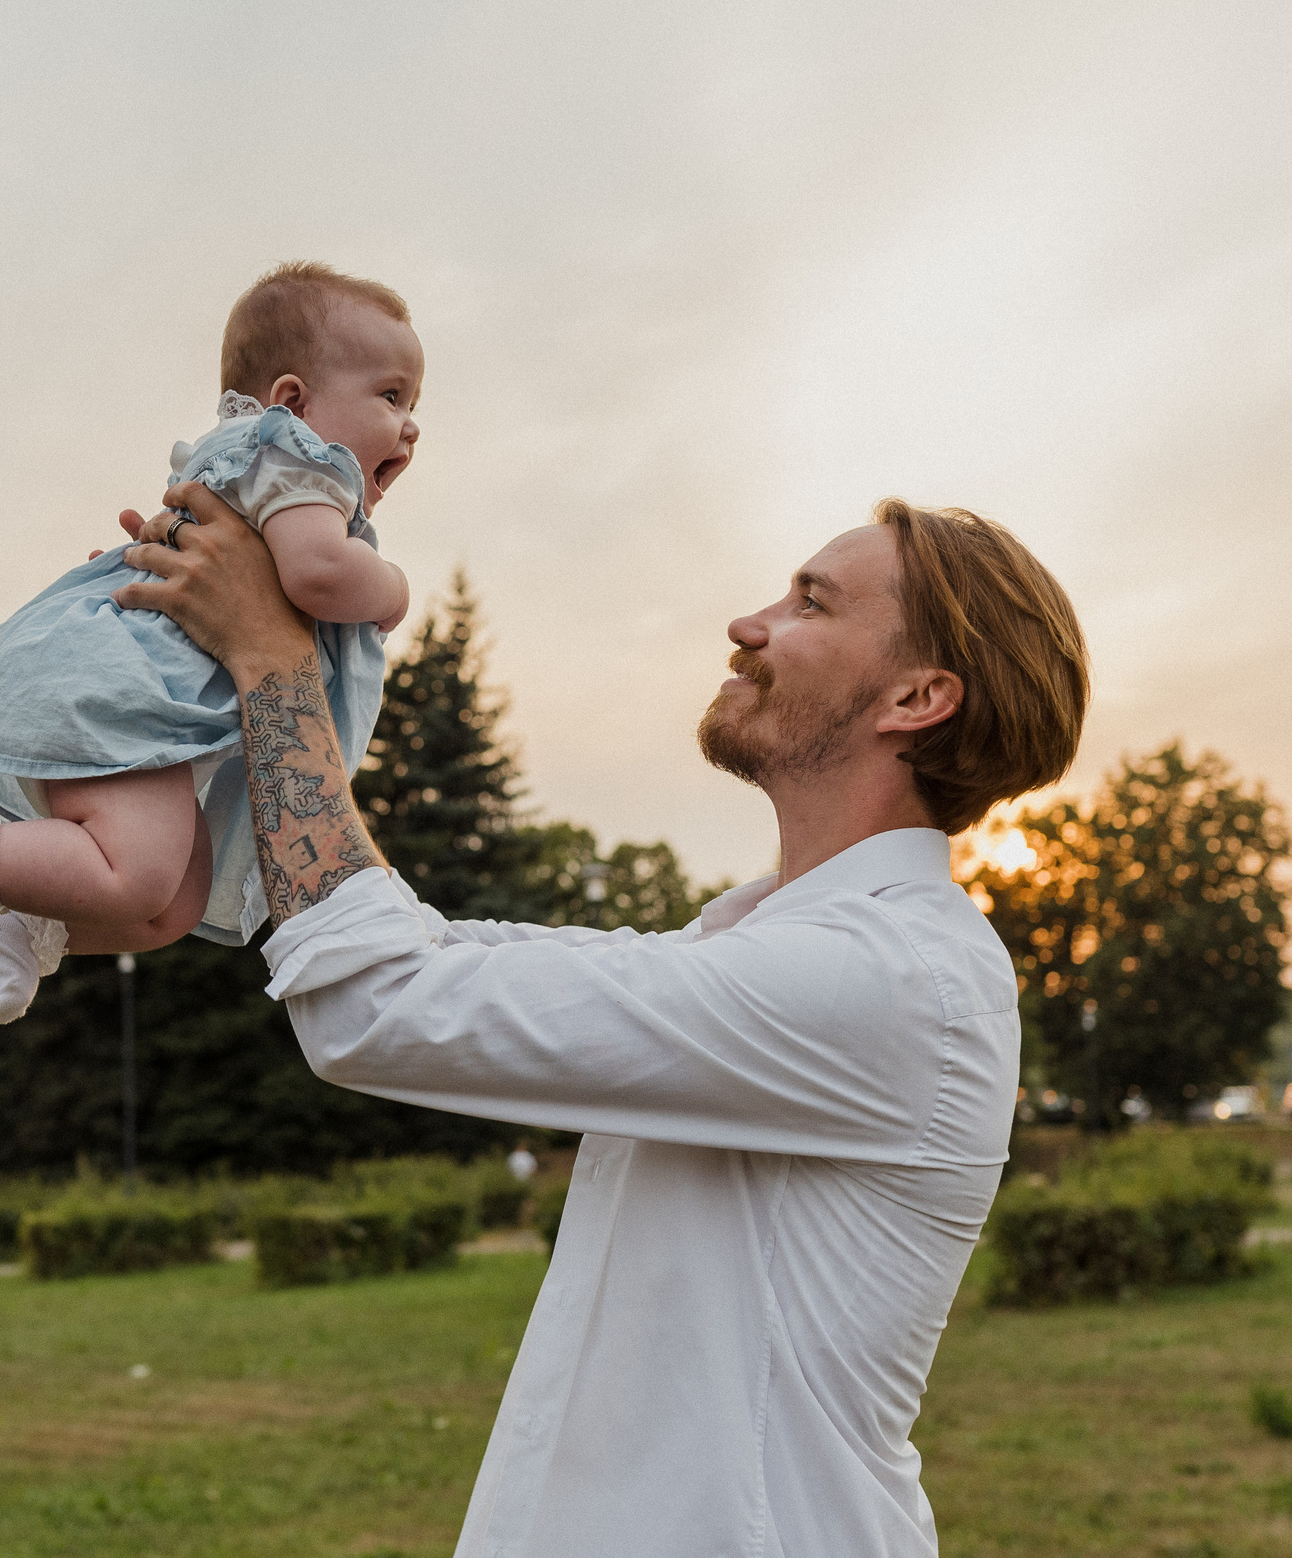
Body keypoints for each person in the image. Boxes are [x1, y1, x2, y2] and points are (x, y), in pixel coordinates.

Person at [115, 489, 1087, 1558]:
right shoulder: (760, 945)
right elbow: (436, 953)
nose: (749, 623)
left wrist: (270, 655)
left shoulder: (887, 978)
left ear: (915, 696)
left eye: (810, 602)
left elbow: (372, 1005)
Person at [0, 262, 423, 1022]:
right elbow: (318, 574)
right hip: (128, 694)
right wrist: (393, 588)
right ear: (293, 400)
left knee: (171, 903)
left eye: (414, 404)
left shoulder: (265, 468)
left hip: (144, 703)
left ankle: (16, 916)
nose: (410, 425)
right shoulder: (299, 459)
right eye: (391, 395)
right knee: (137, 879)